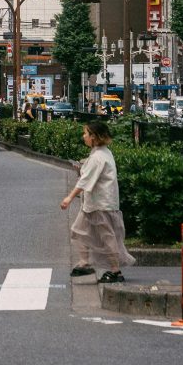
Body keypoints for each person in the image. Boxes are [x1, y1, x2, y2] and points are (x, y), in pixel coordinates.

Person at [60, 119, 129, 282]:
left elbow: (86, 180)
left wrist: (69, 198)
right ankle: (85, 263)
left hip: (101, 204)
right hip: (95, 203)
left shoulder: (98, 156)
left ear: (94, 137)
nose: (83, 136)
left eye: (86, 133)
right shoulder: (103, 152)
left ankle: (115, 270)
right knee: (79, 230)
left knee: (107, 236)